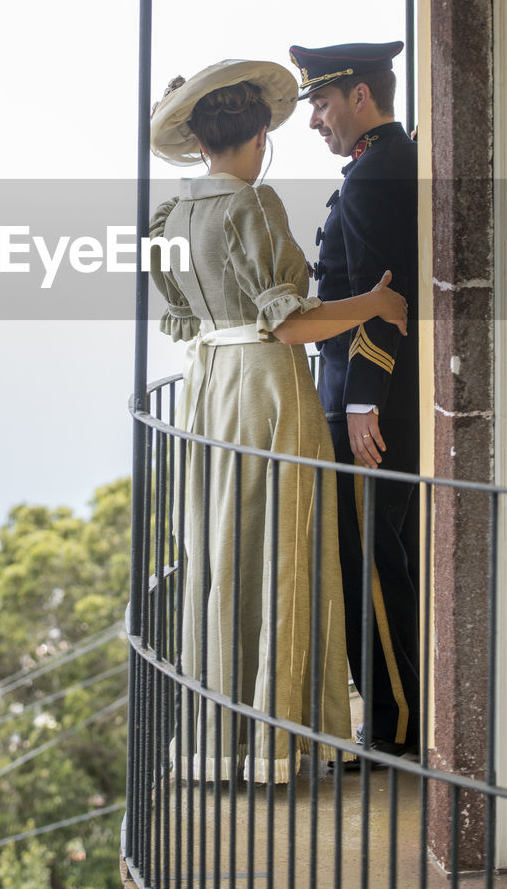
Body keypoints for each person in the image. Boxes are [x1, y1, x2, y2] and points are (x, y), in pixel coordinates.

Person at [148, 58, 408, 784]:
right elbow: (290, 326)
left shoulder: (174, 214)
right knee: (284, 552)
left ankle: (216, 740)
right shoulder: (252, 206)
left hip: (211, 389)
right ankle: (278, 741)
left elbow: (184, 312)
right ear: (259, 135)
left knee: (223, 552)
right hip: (266, 389)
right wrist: (374, 305)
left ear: (200, 142)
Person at [289, 40, 419, 760]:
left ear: (359, 97)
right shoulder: (382, 163)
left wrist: (363, 402)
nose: (313, 118)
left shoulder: (373, 175)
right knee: (385, 560)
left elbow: (383, 294)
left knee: (367, 566)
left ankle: (395, 729)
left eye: (321, 102)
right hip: (373, 399)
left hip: (365, 406)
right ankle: (400, 716)